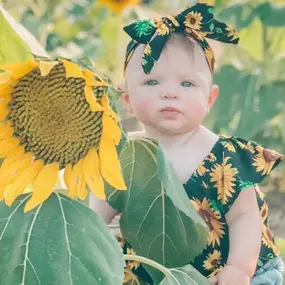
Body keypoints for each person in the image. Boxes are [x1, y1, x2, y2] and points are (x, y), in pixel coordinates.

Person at [89, 2, 284, 284]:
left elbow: (245, 218)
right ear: (128, 100)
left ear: (210, 99)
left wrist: (239, 269)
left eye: (187, 84)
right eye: (152, 82)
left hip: (231, 271)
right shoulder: (122, 156)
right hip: (156, 276)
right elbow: (98, 216)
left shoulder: (226, 155)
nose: (170, 93)